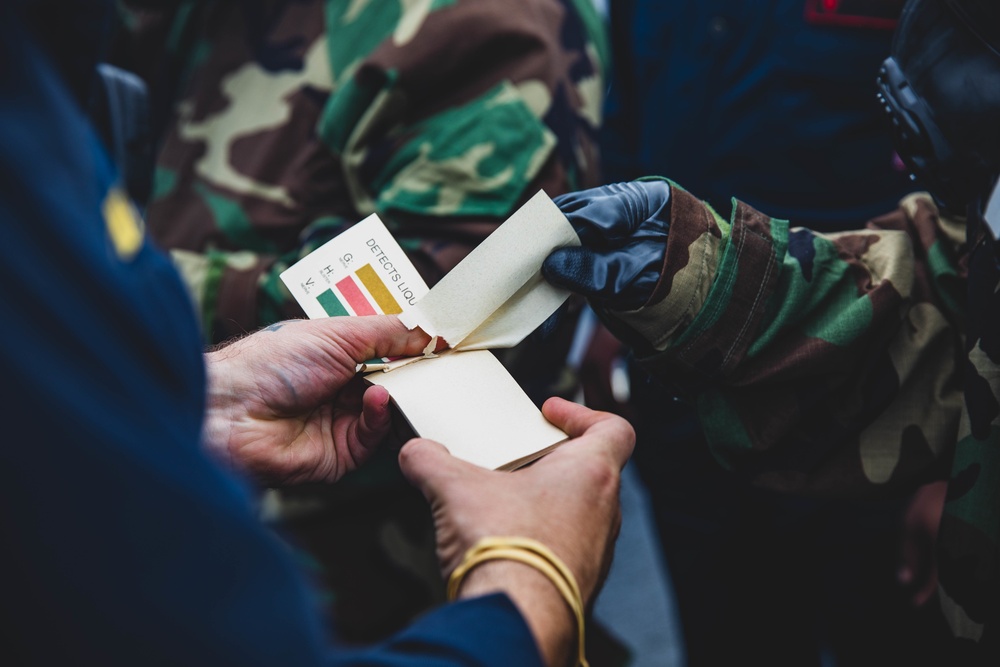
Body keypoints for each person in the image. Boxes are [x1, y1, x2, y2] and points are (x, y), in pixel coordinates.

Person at [0, 3, 635, 665]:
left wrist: (142, 324)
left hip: (375, 576)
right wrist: (536, 581)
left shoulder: (480, 23)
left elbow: (447, 291)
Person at [543, 0, 999, 661]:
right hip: (697, 367)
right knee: (729, 631)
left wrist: (956, 469)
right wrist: (656, 290)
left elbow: (961, 206)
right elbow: (631, 97)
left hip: (873, 412)